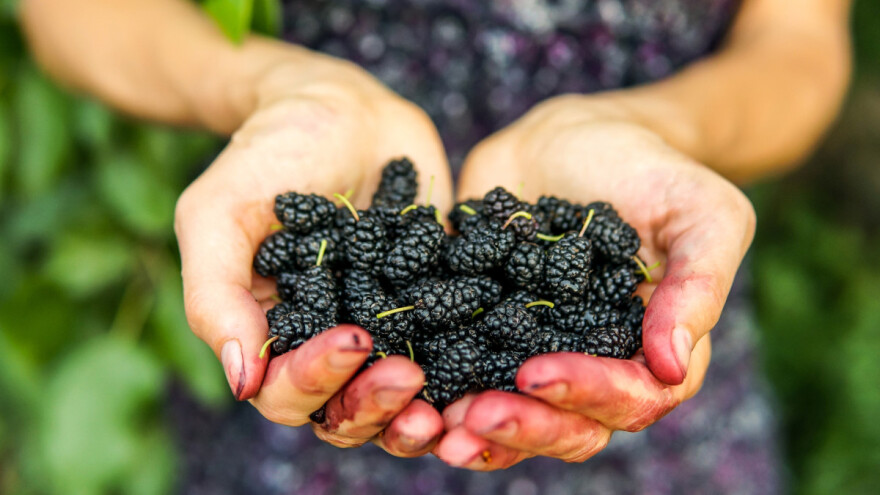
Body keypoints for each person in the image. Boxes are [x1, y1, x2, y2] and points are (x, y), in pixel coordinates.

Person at [22, 0, 851, 492]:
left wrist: (662, 127)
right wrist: (274, 89)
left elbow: (800, 49)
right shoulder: (370, 272)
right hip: (304, 428)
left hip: (650, 394)